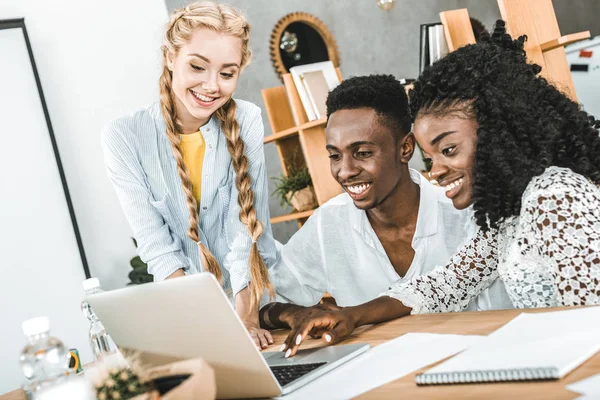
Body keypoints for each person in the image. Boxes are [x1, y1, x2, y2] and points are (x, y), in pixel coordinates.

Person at [279, 21, 600, 357]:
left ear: (496, 133)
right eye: (430, 157)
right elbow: (444, 284)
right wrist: (350, 315)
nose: (436, 172)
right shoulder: (512, 214)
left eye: (448, 150)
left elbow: (590, 328)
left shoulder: (555, 197)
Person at [259, 75, 512, 352]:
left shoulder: (472, 213)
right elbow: (261, 302)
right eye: (334, 156)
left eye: (363, 152)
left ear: (405, 148)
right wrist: (294, 313)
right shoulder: (328, 224)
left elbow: (441, 288)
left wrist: (353, 314)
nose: (345, 171)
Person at [101, 2, 277, 349]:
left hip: (259, 302)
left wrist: (245, 319)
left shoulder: (248, 120)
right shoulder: (124, 136)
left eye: (227, 73)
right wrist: (206, 324)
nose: (211, 86)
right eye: (197, 66)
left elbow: (246, 230)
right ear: (170, 57)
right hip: (193, 313)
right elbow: (157, 246)